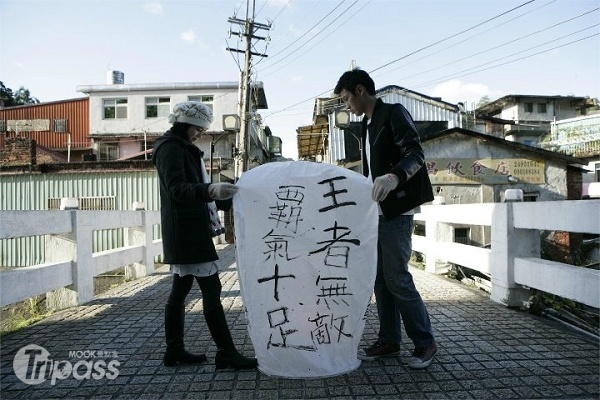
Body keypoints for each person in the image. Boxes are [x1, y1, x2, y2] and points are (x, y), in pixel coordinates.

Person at [334, 68, 438, 369]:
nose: (346, 106)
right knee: (380, 280)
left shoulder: (393, 112)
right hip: (376, 211)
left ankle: (425, 343)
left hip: (398, 209)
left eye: (345, 99)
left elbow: (415, 153)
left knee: (397, 278)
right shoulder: (366, 125)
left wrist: (394, 176)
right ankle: (389, 340)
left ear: (360, 90)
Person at [152, 101, 257, 370]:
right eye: (199, 128)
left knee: (181, 290)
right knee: (211, 289)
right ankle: (226, 352)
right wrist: (210, 190)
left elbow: (197, 191)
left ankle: (174, 350)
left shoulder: (180, 147)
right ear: (186, 123)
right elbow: (178, 189)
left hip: (185, 229)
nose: (201, 133)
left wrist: (229, 194)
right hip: (187, 232)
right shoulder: (170, 149)